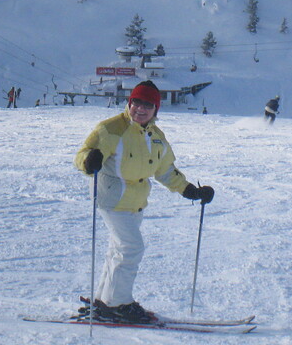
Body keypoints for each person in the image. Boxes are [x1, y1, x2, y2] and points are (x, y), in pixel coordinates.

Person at [74, 80, 214, 323]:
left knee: (119, 249)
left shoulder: (156, 137)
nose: (140, 108)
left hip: (136, 202)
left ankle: (105, 300)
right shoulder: (111, 129)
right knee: (131, 247)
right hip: (112, 197)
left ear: (156, 109)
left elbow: (165, 170)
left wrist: (190, 191)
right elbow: (83, 154)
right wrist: (89, 161)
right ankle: (119, 304)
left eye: (147, 105)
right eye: (136, 102)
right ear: (129, 103)